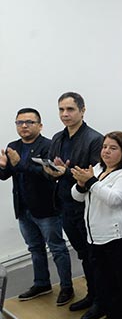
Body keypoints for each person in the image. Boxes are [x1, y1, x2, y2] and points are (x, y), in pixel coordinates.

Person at [70, 131, 122, 319]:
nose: (107, 152)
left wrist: (91, 181)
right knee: (106, 281)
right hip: (97, 236)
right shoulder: (99, 168)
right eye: (105, 147)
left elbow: (115, 199)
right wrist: (81, 183)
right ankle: (115, 314)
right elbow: (76, 196)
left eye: (113, 148)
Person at [0, 108, 73, 306]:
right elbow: (6, 175)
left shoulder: (49, 146)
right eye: (19, 122)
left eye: (29, 122)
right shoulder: (12, 146)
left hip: (46, 208)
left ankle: (67, 286)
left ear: (40, 125)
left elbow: (47, 174)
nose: (24, 126)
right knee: (35, 248)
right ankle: (42, 283)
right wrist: (3, 166)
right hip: (23, 208)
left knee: (57, 248)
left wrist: (18, 162)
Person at [44, 92, 104, 319]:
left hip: (86, 206)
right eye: (61, 109)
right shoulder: (58, 138)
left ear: (82, 110)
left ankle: (101, 300)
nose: (65, 114)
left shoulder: (94, 139)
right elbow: (52, 170)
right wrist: (50, 171)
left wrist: (65, 172)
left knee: (93, 256)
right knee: (82, 254)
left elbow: (95, 174)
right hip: (65, 204)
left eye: (70, 109)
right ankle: (92, 294)